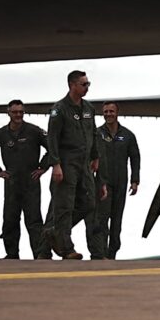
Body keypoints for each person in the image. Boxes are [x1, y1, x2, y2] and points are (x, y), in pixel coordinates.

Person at [0, 98, 52, 258]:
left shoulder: (34, 131)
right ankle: (12, 254)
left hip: (31, 181)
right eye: (15, 112)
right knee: (10, 219)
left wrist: (43, 167)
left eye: (21, 112)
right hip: (12, 182)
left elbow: (52, 147)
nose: (18, 115)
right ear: (8, 113)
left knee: (34, 220)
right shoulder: (1, 134)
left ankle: (40, 254)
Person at [44, 69, 95, 260]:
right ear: (72, 85)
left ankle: (56, 232)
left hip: (84, 163)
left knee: (88, 203)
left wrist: (95, 156)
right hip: (67, 162)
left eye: (88, 84)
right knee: (64, 205)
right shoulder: (60, 109)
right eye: (84, 84)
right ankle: (66, 248)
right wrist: (55, 164)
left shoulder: (89, 108)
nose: (87, 87)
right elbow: (53, 139)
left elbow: (93, 134)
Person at [89, 101, 141, 259]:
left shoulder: (127, 135)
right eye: (105, 112)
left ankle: (113, 252)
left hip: (121, 181)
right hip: (103, 182)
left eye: (111, 111)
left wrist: (135, 180)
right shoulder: (97, 134)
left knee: (117, 219)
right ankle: (101, 252)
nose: (108, 114)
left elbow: (135, 158)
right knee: (102, 218)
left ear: (117, 113)